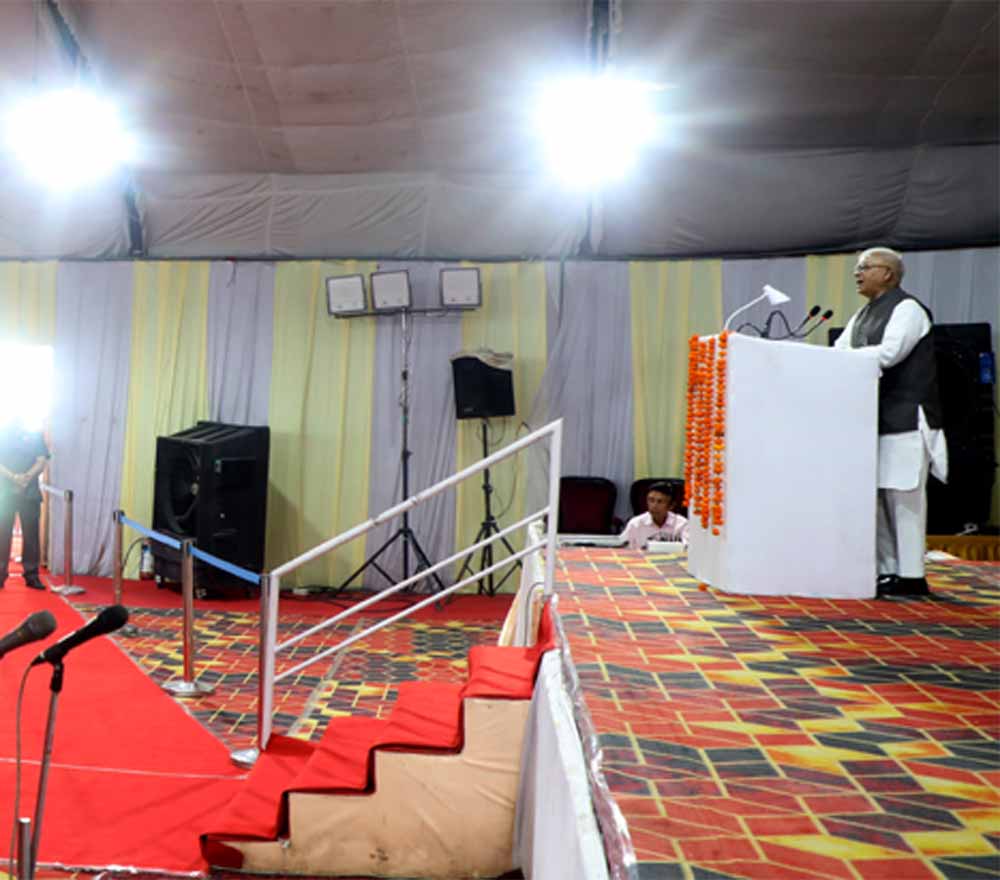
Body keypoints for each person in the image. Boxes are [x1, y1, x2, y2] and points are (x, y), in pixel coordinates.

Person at [834, 247, 947, 598]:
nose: (857, 273)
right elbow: (838, 353)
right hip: (874, 420)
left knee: (904, 498)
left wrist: (850, 358)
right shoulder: (862, 315)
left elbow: (890, 353)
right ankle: (888, 570)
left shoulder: (908, 309)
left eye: (864, 267)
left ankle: (912, 574)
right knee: (879, 498)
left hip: (907, 418)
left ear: (888, 273)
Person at [0, 420, 51, 590]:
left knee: (31, 536)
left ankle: (32, 575)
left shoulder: (35, 435)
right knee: (2, 535)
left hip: (29, 493)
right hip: (4, 493)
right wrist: (14, 477)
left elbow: (42, 460)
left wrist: (26, 477)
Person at [621, 481, 689, 550]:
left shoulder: (682, 524)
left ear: (671, 505)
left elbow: (688, 549)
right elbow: (623, 549)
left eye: (660, 501)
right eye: (651, 500)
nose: (654, 506)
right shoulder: (635, 524)